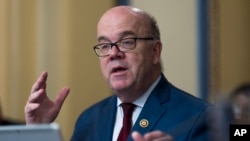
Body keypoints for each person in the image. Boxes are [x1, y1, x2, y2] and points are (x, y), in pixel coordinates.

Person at [24, 6, 212, 141]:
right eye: (105, 45)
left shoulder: (201, 117)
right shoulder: (89, 120)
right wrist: (38, 132)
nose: (113, 53)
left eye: (127, 42)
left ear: (155, 52)